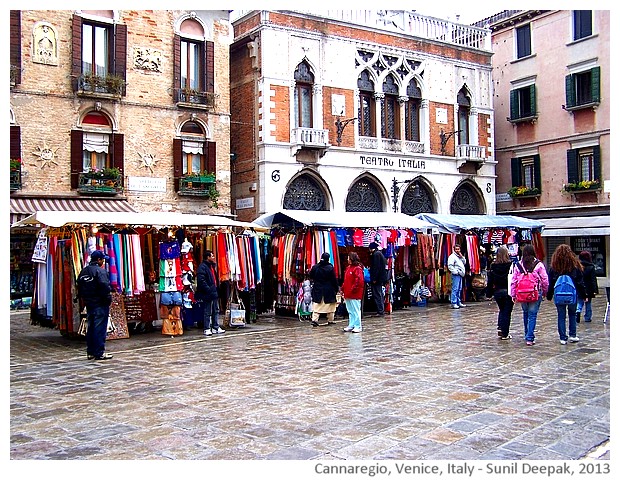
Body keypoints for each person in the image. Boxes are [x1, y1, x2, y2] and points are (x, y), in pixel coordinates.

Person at [77, 250, 113, 360]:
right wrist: (108, 299)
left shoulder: (84, 272)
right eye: (102, 259)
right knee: (99, 328)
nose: (103, 261)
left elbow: (79, 286)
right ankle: (99, 352)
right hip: (100, 303)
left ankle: (91, 351)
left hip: (89, 303)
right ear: (98, 260)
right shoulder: (100, 272)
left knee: (91, 327)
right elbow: (105, 287)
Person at [547, 244, 586, 344]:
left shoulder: (554, 267)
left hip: (559, 295)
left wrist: (549, 295)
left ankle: (563, 337)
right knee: (572, 314)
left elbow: (550, 283)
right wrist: (583, 295)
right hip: (572, 294)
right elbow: (580, 282)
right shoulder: (575, 266)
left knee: (561, 315)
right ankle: (573, 335)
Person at [510, 244, 548, 346]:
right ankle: (530, 337)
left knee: (525, 313)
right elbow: (544, 279)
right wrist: (545, 291)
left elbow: (513, 281)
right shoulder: (538, 265)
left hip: (522, 293)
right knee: (532, 315)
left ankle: (527, 333)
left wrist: (513, 294)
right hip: (535, 293)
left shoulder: (518, 265)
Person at [485, 245, 514, 340]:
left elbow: (490, 281)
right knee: (507, 312)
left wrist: (488, 294)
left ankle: (501, 328)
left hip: (497, 291)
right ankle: (505, 333)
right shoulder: (510, 265)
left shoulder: (493, 266)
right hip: (508, 291)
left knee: (502, 310)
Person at [196, 250, 225, 336]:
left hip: (214, 291)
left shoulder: (211, 266)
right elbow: (201, 281)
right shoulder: (202, 267)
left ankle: (215, 326)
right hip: (207, 292)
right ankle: (207, 328)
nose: (213, 257)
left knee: (216, 310)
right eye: (212, 256)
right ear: (208, 257)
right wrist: (208, 289)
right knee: (207, 311)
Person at [309, 252, 339, 326]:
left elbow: (311, 276)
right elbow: (333, 279)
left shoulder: (315, 267)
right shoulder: (330, 268)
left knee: (317, 305)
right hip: (328, 289)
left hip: (317, 288)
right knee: (330, 305)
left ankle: (315, 320)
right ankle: (330, 320)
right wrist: (336, 288)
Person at [342, 252, 365, 333]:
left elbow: (359, 281)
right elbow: (346, 280)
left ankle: (358, 325)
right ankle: (351, 324)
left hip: (354, 293)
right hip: (348, 292)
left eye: (349, 258)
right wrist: (343, 288)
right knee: (350, 310)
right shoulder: (348, 268)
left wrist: (353, 289)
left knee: (355, 309)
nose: (347, 259)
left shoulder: (357, 269)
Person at [576, 251, 599, 323]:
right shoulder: (591, 267)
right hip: (588, 288)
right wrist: (595, 290)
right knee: (588, 303)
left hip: (580, 287)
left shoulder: (577, 266)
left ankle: (578, 311)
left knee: (579, 301)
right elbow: (593, 279)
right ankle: (587, 317)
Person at [368, 242, 388, 316]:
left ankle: (380, 311)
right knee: (379, 294)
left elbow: (376, 268)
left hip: (377, 278)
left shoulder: (376, 255)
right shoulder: (379, 254)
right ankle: (381, 310)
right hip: (381, 278)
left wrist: (374, 278)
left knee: (377, 294)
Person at [447, 243, 467, 309]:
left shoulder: (459, 256)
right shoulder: (452, 257)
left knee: (459, 289)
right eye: (456, 249)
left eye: (458, 249)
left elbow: (464, 262)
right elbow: (450, 265)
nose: (457, 250)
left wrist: (462, 257)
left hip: (460, 274)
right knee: (455, 289)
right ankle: (454, 302)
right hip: (456, 274)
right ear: (454, 249)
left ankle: (458, 301)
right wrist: (456, 272)